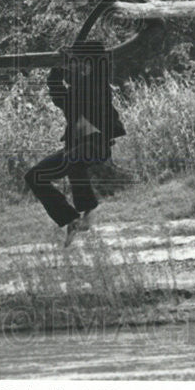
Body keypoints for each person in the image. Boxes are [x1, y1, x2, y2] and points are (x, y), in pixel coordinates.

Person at [24, 42, 126, 247]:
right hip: (78, 149)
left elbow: (94, 70)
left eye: (79, 66)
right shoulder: (70, 97)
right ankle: (72, 219)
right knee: (34, 176)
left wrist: (69, 61)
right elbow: (55, 86)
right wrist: (57, 65)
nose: (75, 70)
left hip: (96, 146)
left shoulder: (98, 87)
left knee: (74, 158)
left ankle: (88, 208)